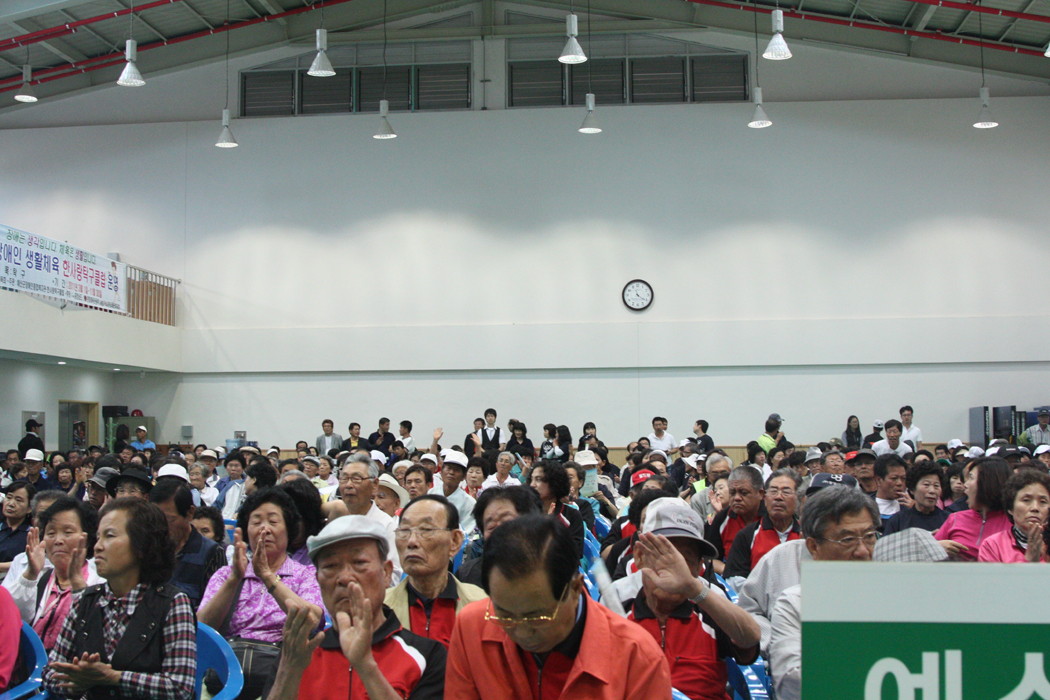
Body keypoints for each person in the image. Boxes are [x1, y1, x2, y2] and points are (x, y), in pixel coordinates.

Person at [445, 514, 672, 698]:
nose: (521, 632)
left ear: (575, 588)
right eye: (504, 615)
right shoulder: (473, 627)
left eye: (537, 617)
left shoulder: (636, 658)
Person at [265, 515, 447, 699]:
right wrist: (288, 671)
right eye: (331, 566)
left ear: (386, 573)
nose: (345, 578)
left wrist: (365, 665)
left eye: (359, 563)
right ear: (318, 580)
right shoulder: (299, 653)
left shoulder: (426, 655)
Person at [41, 498, 197, 700]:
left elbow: (180, 688)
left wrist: (114, 677)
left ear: (142, 545)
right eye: (98, 537)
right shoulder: (85, 601)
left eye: (110, 536)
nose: (98, 547)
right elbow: (49, 673)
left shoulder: (173, 603)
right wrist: (77, 683)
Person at [610, 498, 761, 699]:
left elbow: (750, 638)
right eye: (664, 555)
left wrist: (692, 587)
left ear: (699, 566)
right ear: (639, 556)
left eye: (685, 560)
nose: (675, 569)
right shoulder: (618, 604)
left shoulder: (708, 603)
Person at [198, 488, 324, 700]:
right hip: (224, 677)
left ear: (289, 530)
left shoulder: (305, 574)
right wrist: (234, 579)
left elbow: (311, 620)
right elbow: (203, 628)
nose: (264, 529)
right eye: (256, 522)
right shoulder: (226, 574)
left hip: (281, 675)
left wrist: (267, 576)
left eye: (273, 522)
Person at [768, 486, 880, 700]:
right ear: (813, 547)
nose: (862, 551)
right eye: (847, 540)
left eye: (869, 536)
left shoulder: (896, 598)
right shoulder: (795, 605)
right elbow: (793, 682)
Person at [385, 495, 487, 647]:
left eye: (426, 530)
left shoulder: (482, 607)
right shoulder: (380, 609)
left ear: (455, 541)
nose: (412, 541)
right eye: (404, 530)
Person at [9, 496, 102, 651]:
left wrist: (78, 583)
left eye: (68, 532)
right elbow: (12, 619)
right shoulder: (40, 577)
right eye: (51, 533)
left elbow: (94, 633)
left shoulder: (99, 581)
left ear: (86, 537)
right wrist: (31, 575)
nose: (58, 540)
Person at [149, 479, 227, 610]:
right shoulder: (147, 547)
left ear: (190, 513)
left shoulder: (211, 553)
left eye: (169, 520)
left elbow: (215, 608)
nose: (160, 526)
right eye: (155, 519)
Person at [724, 469, 802, 584]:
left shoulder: (809, 536)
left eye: (786, 492)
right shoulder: (747, 536)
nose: (778, 497)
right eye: (773, 491)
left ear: (798, 498)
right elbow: (734, 579)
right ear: (764, 497)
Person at [457, 486, 542, 588]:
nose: (499, 531)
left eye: (506, 522)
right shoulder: (467, 575)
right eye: (491, 527)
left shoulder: (547, 572)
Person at [935, 457, 1012, 561]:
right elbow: (927, 557)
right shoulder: (955, 518)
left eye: (971, 478)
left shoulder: (1014, 523)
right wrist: (937, 547)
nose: (965, 485)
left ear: (989, 482)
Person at [978, 468, 1050, 563]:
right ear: (1010, 508)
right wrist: (1030, 560)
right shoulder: (993, 545)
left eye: (1043, 502)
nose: (1035, 508)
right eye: (1026, 500)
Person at [706, 466, 764, 571]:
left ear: (760, 494)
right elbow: (710, 559)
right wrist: (728, 571)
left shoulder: (773, 518)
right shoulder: (722, 519)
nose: (737, 498)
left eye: (744, 493)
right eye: (732, 493)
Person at [529, 461, 584, 560]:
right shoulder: (526, 512)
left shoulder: (571, 515)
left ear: (554, 482)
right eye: (531, 479)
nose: (532, 485)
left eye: (538, 479)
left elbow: (576, 552)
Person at [883, 462, 949, 535]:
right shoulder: (898, 521)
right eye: (926, 485)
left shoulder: (949, 520)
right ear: (912, 489)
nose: (932, 491)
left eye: (936, 486)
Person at [427, 451, 476, 534]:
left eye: (456, 470)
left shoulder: (469, 503)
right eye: (448, 468)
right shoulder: (431, 493)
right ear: (441, 471)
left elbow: (465, 531)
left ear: (463, 476)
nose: (451, 472)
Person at [0, 481, 34, 579]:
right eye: (9, 497)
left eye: (18, 500)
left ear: (29, 508)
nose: (11, 504)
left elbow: (28, 562)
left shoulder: (31, 534)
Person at [873, 453, 910, 519]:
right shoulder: (867, 510)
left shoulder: (909, 508)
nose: (899, 483)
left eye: (903, 478)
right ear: (878, 480)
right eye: (894, 478)